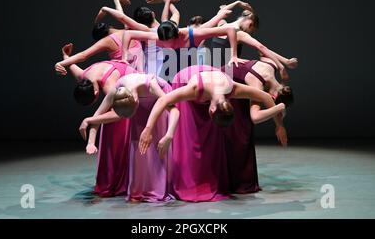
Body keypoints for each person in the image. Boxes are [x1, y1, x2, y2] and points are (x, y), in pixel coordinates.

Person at [139, 65, 286, 202]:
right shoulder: (194, 89)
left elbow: (265, 97)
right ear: (212, 110)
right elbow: (163, 100)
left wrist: (279, 126)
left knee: (212, 139)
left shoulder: (232, 88)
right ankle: (189, 182)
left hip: (214, 78)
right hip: (186, 78)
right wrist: (148, 128)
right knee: (191, 138)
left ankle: (209, 178)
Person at [78, 73, 180, 202]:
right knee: (138, 146)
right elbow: (97, 117)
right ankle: (140, 188)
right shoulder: (116, 91)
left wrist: (169, 135)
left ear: (135, 101)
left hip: (156, 101)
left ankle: (159, 185)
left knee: (157, 144)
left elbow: (174, 111)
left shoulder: (151, 86)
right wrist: (91, 142)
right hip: (137, 101)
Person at [60, 43, 137, 197]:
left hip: (131, 100)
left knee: (115, 134)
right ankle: (112, 178)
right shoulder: (84, 78)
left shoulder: (110, 85)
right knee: (105, 126)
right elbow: (72, 66)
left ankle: (125, 181)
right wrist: (65, 57)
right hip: (119, 100)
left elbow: (120, 113)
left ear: (96, 92)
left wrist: (89, 121)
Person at [221, 56, 294, 193]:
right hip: (225, 88)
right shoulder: (257, 85)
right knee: (243, 132)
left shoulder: (271, 66)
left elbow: (263, 50)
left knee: (244, 129)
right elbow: (254, 117)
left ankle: (237, 179)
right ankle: (237, 181)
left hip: (234, 84)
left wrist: (283, 64)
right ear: (273, 98)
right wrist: (279, 110)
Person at [120, 9, 244, 71]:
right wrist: (124, 57)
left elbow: (230, 30)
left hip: (191, 72)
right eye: (163, 43)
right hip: (169, 72)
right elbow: (128, 34)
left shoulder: (193, 35)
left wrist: (233, 55)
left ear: (177, 35)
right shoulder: (157, 36)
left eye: (169, 42)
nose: (166, 45)